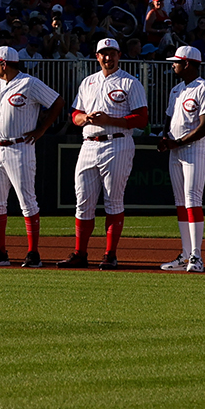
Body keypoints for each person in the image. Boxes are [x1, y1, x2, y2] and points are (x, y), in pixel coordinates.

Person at [63, 36, 149, 269]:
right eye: (104, 53)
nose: (108, 57)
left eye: (112, 53)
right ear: (97, 56)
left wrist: (110, 119)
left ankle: (110, 254)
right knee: (83, 201)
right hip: (89, 143)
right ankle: (80, 253)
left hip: (117, 143)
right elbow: (75, 114)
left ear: (119, 56)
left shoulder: (130, 82)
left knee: (113, 201)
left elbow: (142, 118)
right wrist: (85, 118)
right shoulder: (88, 82)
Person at [0, 45, 61, 267]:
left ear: (4, 64)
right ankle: (0, 252)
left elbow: (57, 102)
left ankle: (33, 253)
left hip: (20, 147)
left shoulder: (29, 83)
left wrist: (41, 130)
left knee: (27, 201)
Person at [159, 44, 205, 273]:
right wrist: (164, 138)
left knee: (193, 199)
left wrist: (179, 142)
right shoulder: (176, 90)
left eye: (176, 61)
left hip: (195, 149)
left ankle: (196, 256)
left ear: (187, 64)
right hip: (176, 149)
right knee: (181, 203)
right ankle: (185, 255)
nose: (173, 64)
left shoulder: (204, 88)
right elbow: (168, 118)